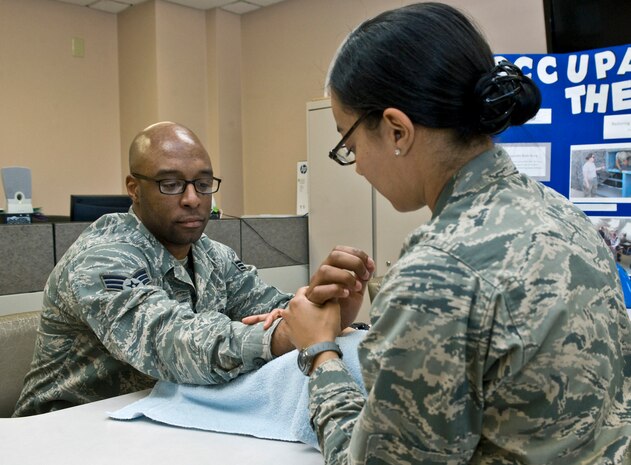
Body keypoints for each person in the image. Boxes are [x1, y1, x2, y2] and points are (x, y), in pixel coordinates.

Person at [277, 3, 631, 464]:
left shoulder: (438, 270)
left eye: (349, 142)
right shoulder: (566, 215)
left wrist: (320, 352)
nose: (358, 164)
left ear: (397, 130)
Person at [13, 121, 295, 417]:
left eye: (202, 184)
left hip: (159, 412)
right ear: (134, 189)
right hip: (65, 428)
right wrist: (281, 337)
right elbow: (169, 340)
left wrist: (323, 304)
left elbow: (273, 306)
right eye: (170, 185)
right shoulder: (102, 258)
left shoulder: (212, 254)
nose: (192, 199)